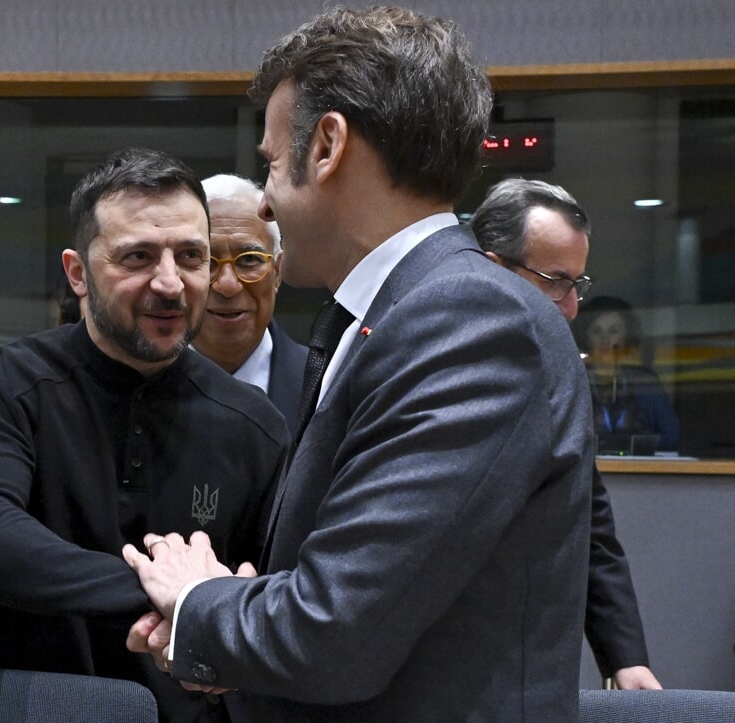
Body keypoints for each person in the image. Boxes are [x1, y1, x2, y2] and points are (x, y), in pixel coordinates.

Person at [122, 7, 595, 721]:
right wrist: (235, 620)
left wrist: (197, 601)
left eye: (271, 163)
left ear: (327, 147)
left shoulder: (470, 319)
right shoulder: (394, 312)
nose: (264, 202)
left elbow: (335, 630)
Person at [0, 147, 290, 723]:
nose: (171, 283)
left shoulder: (254, 426)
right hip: (26, 707)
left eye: (191, 256)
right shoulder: (6, 386)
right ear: (78, 273)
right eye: (138, 257)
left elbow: (269, 594)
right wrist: (180, 596)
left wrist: (215, 613)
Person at [471, 178, 664, 690]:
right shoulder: (427, 357)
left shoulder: (560, 371)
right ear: (493, 269)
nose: (572, 306)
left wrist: (625, 656)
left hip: (528, 660)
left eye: (577, 284)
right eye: (555, 281)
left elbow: (587, 516)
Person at [192, 174, 308, 433]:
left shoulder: (327, 383)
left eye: (248, 260)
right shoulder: (136, 382)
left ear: (277, 272)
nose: (227, 285)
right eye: (207, 262)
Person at [574, 296, 680, 451]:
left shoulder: (645, 380)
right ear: (585, 336)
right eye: (596, 331)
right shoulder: (573, 379)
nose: (605, 340)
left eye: (613, 331)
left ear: (626, 336)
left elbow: (671, 437)